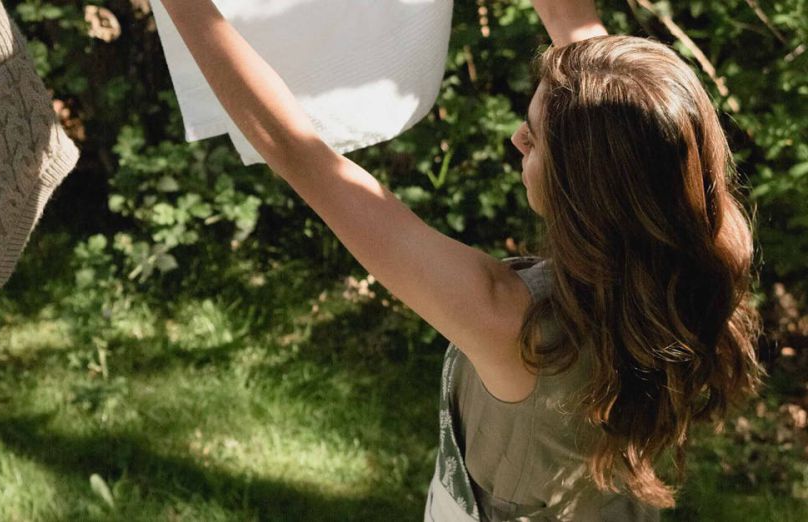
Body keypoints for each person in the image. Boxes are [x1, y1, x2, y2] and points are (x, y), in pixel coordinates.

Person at [159, 0, 765, 519]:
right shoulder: (702, 244)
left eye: (533, 138)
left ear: (586, 188)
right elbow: (579, 36)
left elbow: (298, 151)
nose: (516, 140)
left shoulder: (512, 326)